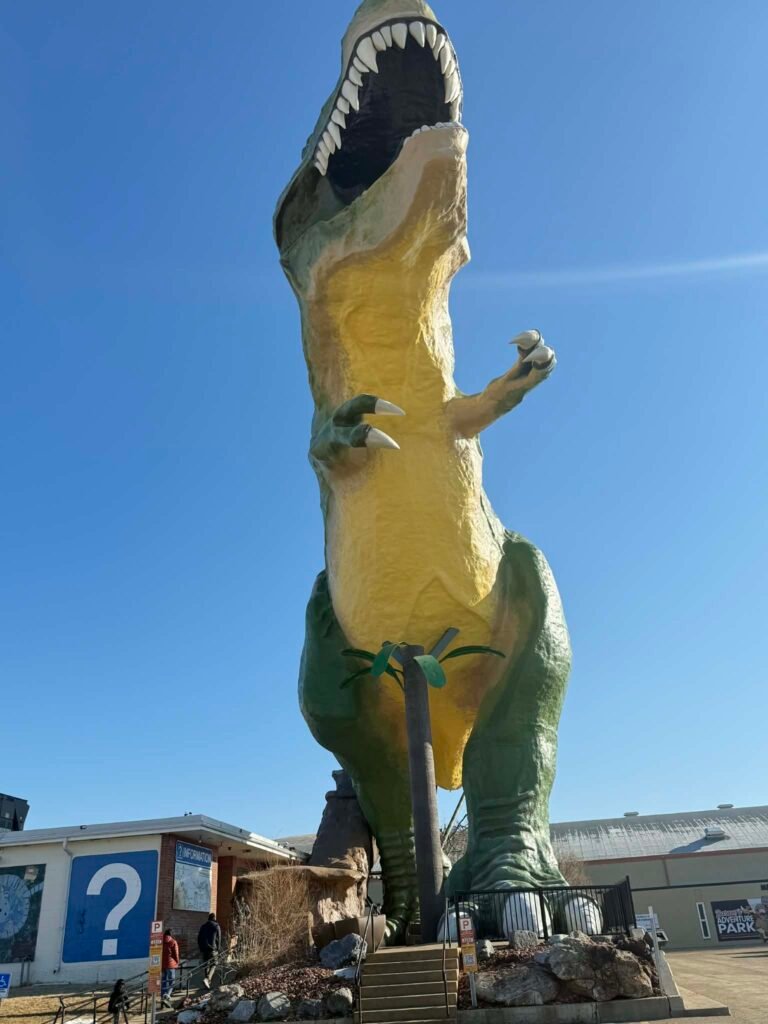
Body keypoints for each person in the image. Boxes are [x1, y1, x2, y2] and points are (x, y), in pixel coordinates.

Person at [197, 913, 221, 989]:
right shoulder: (216, 926)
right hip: (213, 949)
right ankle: (207, 979)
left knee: (206, 965)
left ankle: (207, 982)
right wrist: (218, 949)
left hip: (204, 949)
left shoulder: (203, 926)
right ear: (214, 918)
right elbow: (219, 938)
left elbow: (199, 938)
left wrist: (201, 948)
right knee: (214, 964)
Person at [161, 928, 181, 1007]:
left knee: (164, 981)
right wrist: (177, 962)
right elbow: (176, 954)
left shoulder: (160, 941)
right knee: (172, 981)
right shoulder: (173, 941)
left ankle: (163, 995)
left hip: (163, 964)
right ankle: (167, 996)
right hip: (171, 964)